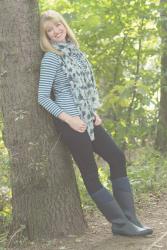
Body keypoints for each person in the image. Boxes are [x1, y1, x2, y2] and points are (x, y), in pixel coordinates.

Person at [38, 10, 153, 237]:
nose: (56, 31)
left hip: (89, 119)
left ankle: (131, 218)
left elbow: (84, 89)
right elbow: (42, 96)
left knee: (117, 157)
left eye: (58, 26)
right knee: (90, 173)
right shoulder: (52, 57)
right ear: (46, 36)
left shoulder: (76, 53)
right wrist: (70, 119)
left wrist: (92, 112)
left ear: (64, 26)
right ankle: (120, 223)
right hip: (72, 124)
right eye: (50, 30)